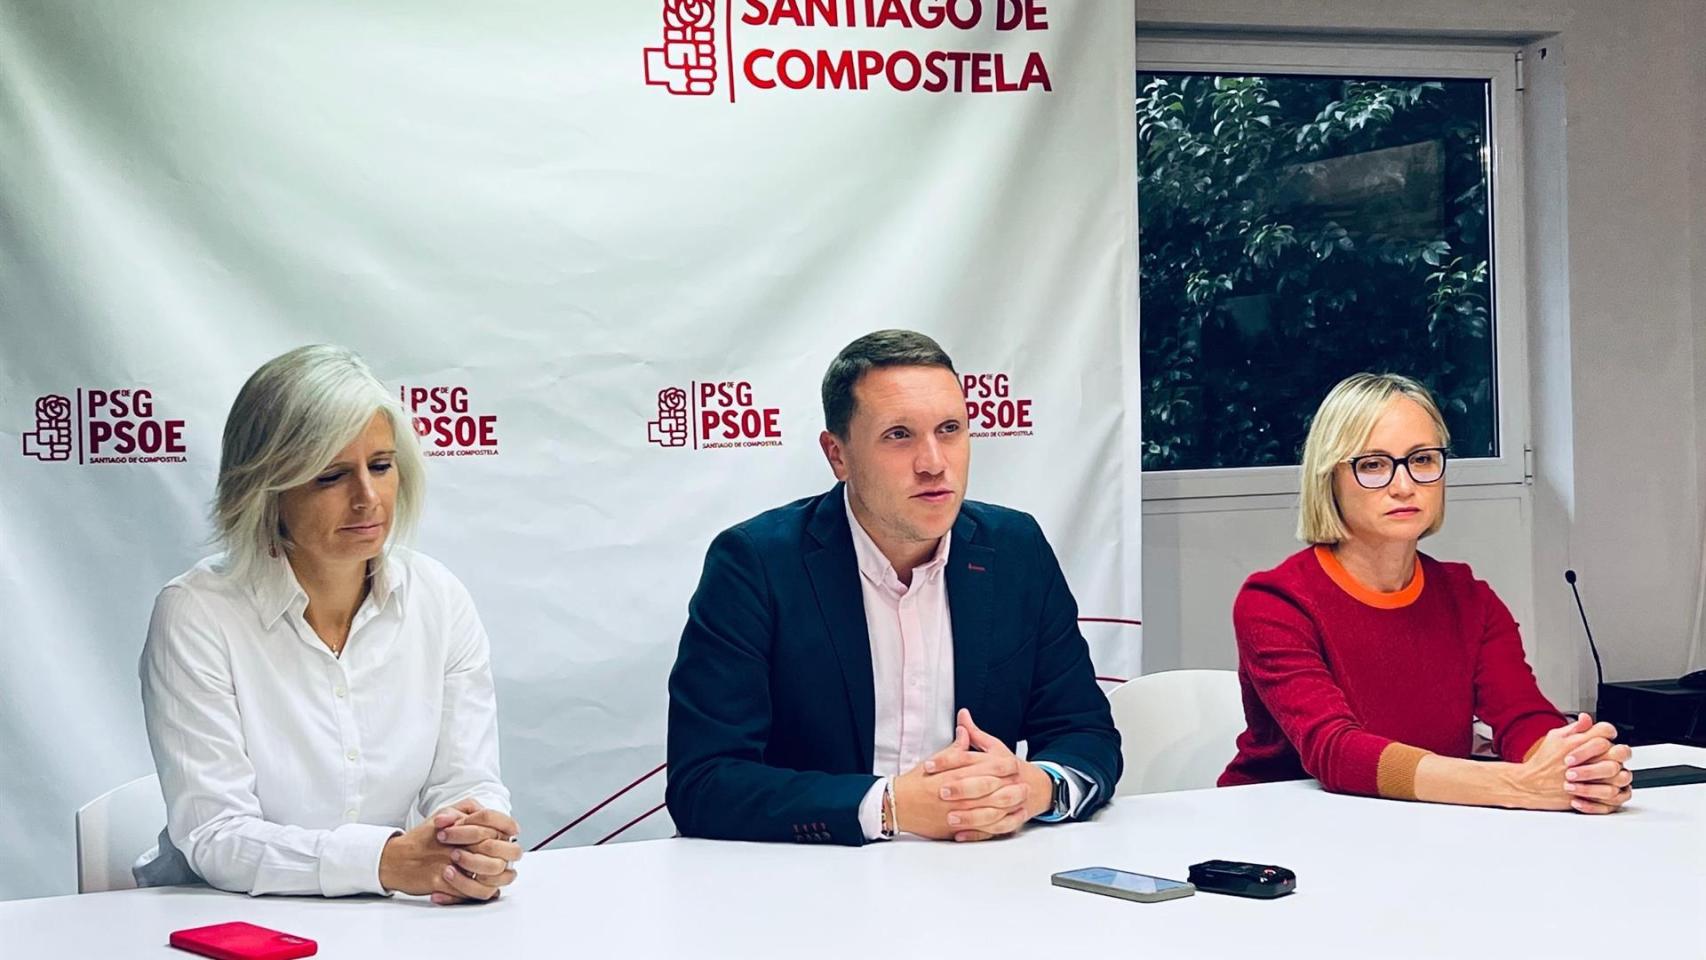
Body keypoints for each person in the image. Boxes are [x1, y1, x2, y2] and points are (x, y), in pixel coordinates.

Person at [666, 330, 1121, 845]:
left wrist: (1036, 787)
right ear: (837, 455)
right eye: (898, 435)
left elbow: (1086, 733)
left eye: (950, 429)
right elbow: (704, 782)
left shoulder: (1016, 550)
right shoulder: (756, 565)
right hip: (814, 880)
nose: (933, 462)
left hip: (983, 871)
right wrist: (886, 807)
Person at [136, 345, 522, 901]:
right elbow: (215, 834)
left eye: (382, 466)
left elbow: (466, 782)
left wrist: (473, 841)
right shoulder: (197, 613)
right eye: (331, 476)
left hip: (387, 924)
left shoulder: (439, 597)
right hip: (220, 924)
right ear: (266, 488)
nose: (368, 498)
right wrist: (383, 862)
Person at [1220, 372, 1633, 814]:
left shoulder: (1469, 598)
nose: (1404, 485)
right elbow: (1335, 751)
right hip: (1279, 830)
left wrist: (1576, 767)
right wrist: (1516, 785)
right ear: (1330, 477)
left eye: (1421, 459)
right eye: (1373, 464)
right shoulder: (1275, 601)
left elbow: (1522, 717)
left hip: (1422, 825)